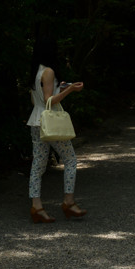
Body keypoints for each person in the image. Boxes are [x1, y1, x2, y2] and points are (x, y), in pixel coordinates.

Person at [26, 36, 86, 223]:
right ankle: (68, 201)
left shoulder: (37, 72)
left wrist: (61, 88)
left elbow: (37, 99)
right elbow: (48, 101)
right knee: (70, 159)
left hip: (35, 121)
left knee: (38, 166)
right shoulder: (49, 71)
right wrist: (70, 91)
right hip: (48, 122)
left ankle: (37, 207)